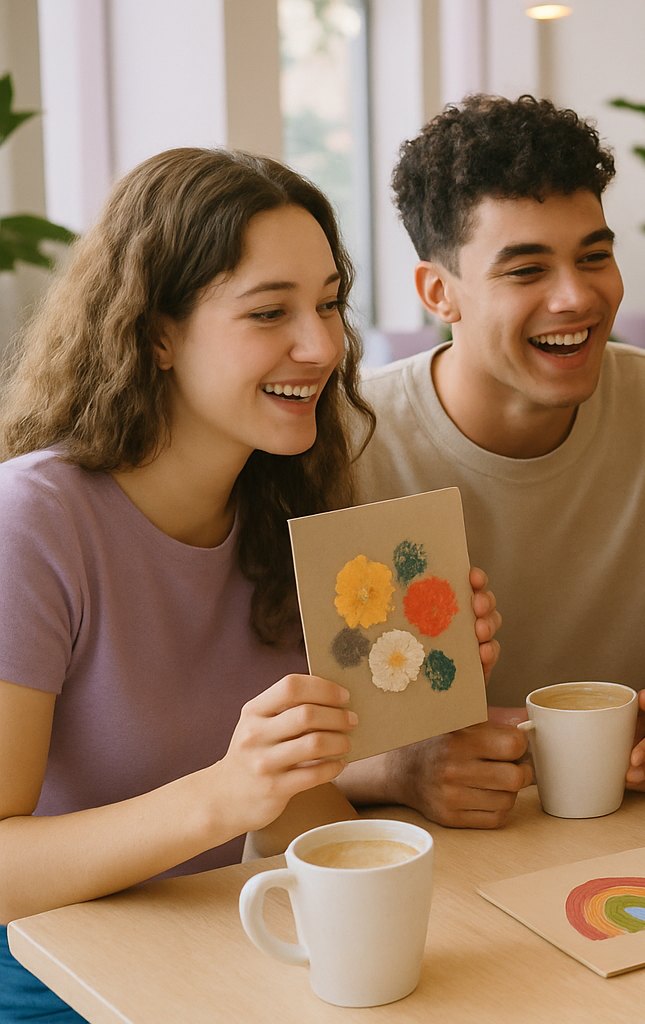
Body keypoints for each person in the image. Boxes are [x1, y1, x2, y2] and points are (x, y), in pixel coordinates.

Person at [0, 149, 501, 1021]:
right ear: (155, 332)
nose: (320, 345)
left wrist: (424, 682)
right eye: (271, 311)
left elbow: (295, 804)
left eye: (329, 304)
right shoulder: (32, 525)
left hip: (226, 954)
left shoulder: (286, 504)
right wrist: (220, 795)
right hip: (56, 981)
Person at [341, 95, 645, 828]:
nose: (577, 297)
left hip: (616, 832)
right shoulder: (348, 440)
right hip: (422, 860)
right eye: (527, 270)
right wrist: (394, 771)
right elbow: (250, 724)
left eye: (594, 256)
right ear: (441, 293)